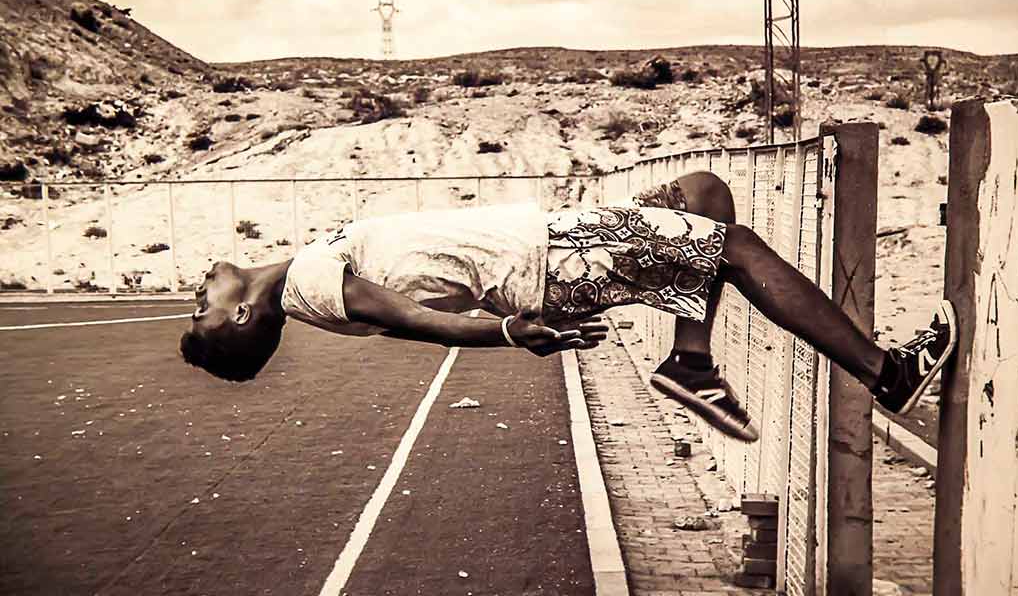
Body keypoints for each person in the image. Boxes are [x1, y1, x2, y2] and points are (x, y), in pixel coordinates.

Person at [180, 172, 956, 443]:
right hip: (547, 256)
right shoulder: (306, 284)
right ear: (241, 317)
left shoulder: (305, 277)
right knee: (739, 248)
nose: (198, 296)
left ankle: (691, 361)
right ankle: (886, 373)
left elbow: (402, 318)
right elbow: (411, 322)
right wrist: (508, 331)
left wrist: (506, 325)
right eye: (200, 312)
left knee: (701, 197)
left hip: (551, 241)